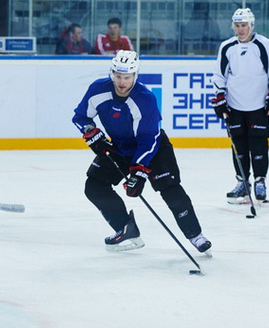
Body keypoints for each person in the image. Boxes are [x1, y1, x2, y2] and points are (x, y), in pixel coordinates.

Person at [72, 50, 212, 254]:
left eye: (127, 77)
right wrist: (92, 133)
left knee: (170, 188)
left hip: (153, 148)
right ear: (112, 73)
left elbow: (148, 139)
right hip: (120, 147)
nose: (121, 82)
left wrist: (139, 173)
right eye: (118, 76)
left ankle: (196, 235)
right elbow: (80, 117)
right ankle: (125, 228)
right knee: (94, 186)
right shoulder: (97, 90)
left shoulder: (145, 99)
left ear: (135, 76)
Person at [211, 8, 268, 204]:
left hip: (259, 106)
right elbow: (219, 75)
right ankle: (242, 182)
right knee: (239, 147)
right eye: (237, 26)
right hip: (235, 106)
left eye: (244, 25)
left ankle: (260, 181)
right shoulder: (227, 47)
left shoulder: (264, 45)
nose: (241, 29)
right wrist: (219, 98)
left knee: (259, 144)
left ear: (251, 25)